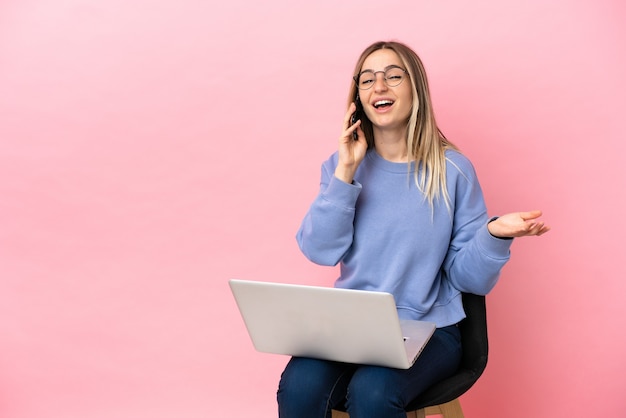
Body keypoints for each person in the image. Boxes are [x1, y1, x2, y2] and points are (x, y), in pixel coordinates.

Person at [277, 40, 549, 418]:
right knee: (299, 387)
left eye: (393, 76)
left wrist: (494, 235)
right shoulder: (341, 167)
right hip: (352, 328)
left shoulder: (452, 169)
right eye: (367, 79)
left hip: (429, 329)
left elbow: (470, 279)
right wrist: (345, 172)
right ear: (357, 97)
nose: (379, 87)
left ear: (415, 88)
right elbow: (320, 251)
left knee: (373, 391)